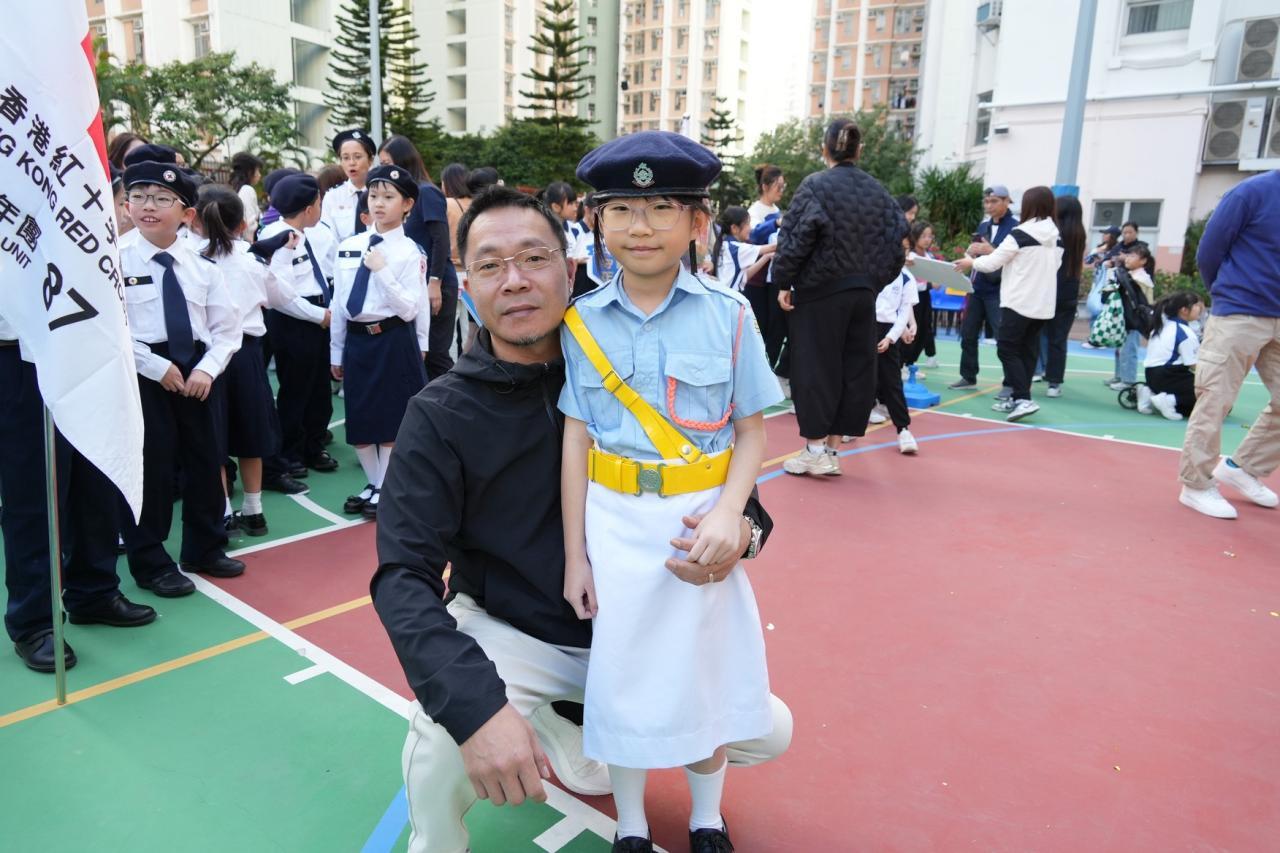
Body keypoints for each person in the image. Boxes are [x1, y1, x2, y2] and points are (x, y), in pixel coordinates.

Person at [371, 185, 789, 853]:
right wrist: (476, 709)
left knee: (767, 731)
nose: (515, 280)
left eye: (534, 258)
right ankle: (440, 838)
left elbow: (718, 470)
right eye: (490, 265)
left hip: (645, 619)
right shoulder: (441, 413)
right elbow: (402, 575)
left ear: (569, 270)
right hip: (518, 630)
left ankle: (574, 722)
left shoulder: (627, 343)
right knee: (448, 730)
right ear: (465, 286)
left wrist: (744, 532)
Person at [556, 132, 781, 852]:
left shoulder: (730, 314)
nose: (641, 226)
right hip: (613, 523)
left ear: (696, 223)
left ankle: (706, 816)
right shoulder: (581, 322)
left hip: (696, 523)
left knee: (700, 675)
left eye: (661, 208)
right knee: (621, 678)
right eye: (621, 209)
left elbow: (752, 432)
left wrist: (729, 513)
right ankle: (629, 821)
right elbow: (575, 441)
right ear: (599, 221)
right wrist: (576, 556)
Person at [1, 311, 157, 672]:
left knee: (96, 481)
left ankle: (93, 590)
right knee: (34, 494)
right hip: (22, 352)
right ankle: (34, 622)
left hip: (86, 352)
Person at [117, 160, 245, 594]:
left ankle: (205, 547)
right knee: (152, 468)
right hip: (143, 373)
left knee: (206, 460)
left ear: (187, 213)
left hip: (197, 371)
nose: (148, 206)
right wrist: (154, 367)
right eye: (138, 197)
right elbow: (110, 329)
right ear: (126, 206)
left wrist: (207, 369)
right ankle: (151, 562)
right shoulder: (114, 262)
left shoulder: (202, 266)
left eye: (161, 199)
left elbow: (227, 329)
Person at [772, 117, 908, 477]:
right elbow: (898, 246)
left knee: (816, 368)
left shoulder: (816, 186)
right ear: (858, 150)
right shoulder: (880, 193)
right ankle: (831, 451)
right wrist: (873, 282)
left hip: (820, 292)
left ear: (825, 149)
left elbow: (794, 238)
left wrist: (784, 280)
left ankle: (814, 450)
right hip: (863, 294)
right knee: (854, 370)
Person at [193, 185, 305, 536]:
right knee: (251, 433)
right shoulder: (251, 260)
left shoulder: (191, 259)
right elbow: (283, 296)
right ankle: (254, 511)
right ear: (242, 224)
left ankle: (225, 513)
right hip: (246, 354)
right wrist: (280, 257)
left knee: (213, 437)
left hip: (206, 358)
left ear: (195, 221)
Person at [1177, 169, 1280, 519]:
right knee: (1215, 398)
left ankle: (1243, 467)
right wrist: (1226, 294)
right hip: (1240, 310)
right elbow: (1209, 251)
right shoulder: (1251, 192)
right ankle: (1196, 484)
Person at [329, 165, 430, 519]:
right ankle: (373, 483)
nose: (379, 203)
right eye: (373, 196)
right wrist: (335, 351)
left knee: (389, 420)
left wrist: (382, 270)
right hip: (357, 341)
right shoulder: (349, 246)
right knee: (359, 420)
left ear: (407, 204)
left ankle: (384, 486)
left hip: (391, 338)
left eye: (388, 197)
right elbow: (339, 303)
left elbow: (411, 308)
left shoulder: (410, 252)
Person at [955, 186, 1062, 422]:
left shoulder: (1020, 232)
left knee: (1007, 348)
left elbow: (992, 262)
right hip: (1043, 303)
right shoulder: (1056, 235)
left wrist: (970, 262)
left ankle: (1022, 398)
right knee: (1028, 350)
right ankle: (1017, 397)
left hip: (1019, 300)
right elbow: (1056, 265)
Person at [260, 174, 340, 480]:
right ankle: (290, 452)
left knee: (318, 387)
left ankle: (313, 445)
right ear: (308, 208)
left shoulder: (306, 233)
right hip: (296, 320)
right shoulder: (278, 237)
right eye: (319, 203)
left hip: (316, 314)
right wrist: (318, 315)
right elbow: (281, 296)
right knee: (296, 389)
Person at [378, 135, 460, 380]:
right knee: (418, 354)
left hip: (436, 284)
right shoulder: (404, 196)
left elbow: (440, 239)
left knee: (435, 354)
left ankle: (452, 400)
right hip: (414, 284)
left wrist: (434, 283)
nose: (384, 170)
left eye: (387, 163)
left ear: (403, 161)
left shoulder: (426, 192)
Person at [950, 184, 1018, 390]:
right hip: (978, 288)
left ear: (1007, 201)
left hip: (1000, 290)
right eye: (987, 201)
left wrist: (991, 250)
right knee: (968, 334)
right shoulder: (983, 226)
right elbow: (974, 255)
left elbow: (1016, 259)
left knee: (1004, 338)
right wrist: (970, 252)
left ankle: (1011, 382)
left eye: (994, 201)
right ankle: (968, 376)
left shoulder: (1016, 228)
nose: (989, 205)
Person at [1039, 195, 1086, 398]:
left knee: (1037, 334)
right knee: (1058, 340)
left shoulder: (1052, 234)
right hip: (1068, 292)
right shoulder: (1079, 235)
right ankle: (1054, 382)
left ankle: (1037, 370)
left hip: (1048, 290)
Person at [872, 265, 920, 453]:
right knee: (858, 379)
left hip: (888, 330)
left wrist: (892, 337)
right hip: (864, 326)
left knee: (892, 382)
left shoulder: (906, 278)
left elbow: (904, 310)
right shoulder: (868, 265)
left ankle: (903, 430)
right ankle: (848, 426)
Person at [1139, 291, 1203, 421]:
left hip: (1151, 376)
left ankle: (1149, 393)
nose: (1200, 308)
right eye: (1196, 305)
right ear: (1184, 310)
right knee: (1208, 394)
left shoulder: (1161, 326)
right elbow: (1192, 364)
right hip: (1169, 376)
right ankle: (1169, 400)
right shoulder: (1185, 332)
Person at [322, 128, 376, 245]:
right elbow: (329, 240)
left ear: (370, 160)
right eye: (346, 158)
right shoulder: (332, 197)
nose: (352, 163)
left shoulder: (382, 194)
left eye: (358, 157)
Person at [710, 205, 776, 296]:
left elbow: (744, 276)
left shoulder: (724, 245)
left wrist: (766, 257)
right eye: (747, 224)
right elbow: (772, 247)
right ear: (734, 228)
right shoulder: (737, 248)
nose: (750, 228)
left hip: (721, 297)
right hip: (728, 299)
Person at [902, 219, 941, 372]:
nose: (927, 239)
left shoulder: (928, 255)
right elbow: (911, 281)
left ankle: (910, 364)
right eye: (923, 236)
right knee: (911, 329)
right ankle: (902, 364)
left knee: (923, 330)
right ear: (915, 236)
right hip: (912, 300)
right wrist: (930, 284)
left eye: (930, 236)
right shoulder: (910, 256)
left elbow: (932, 277)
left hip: (925, 298)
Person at [229, 152, 264, 236]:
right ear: (249, 172)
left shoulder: (236, 189)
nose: (259, 175)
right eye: (257, 170)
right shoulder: (247, 190)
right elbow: (249, 225)